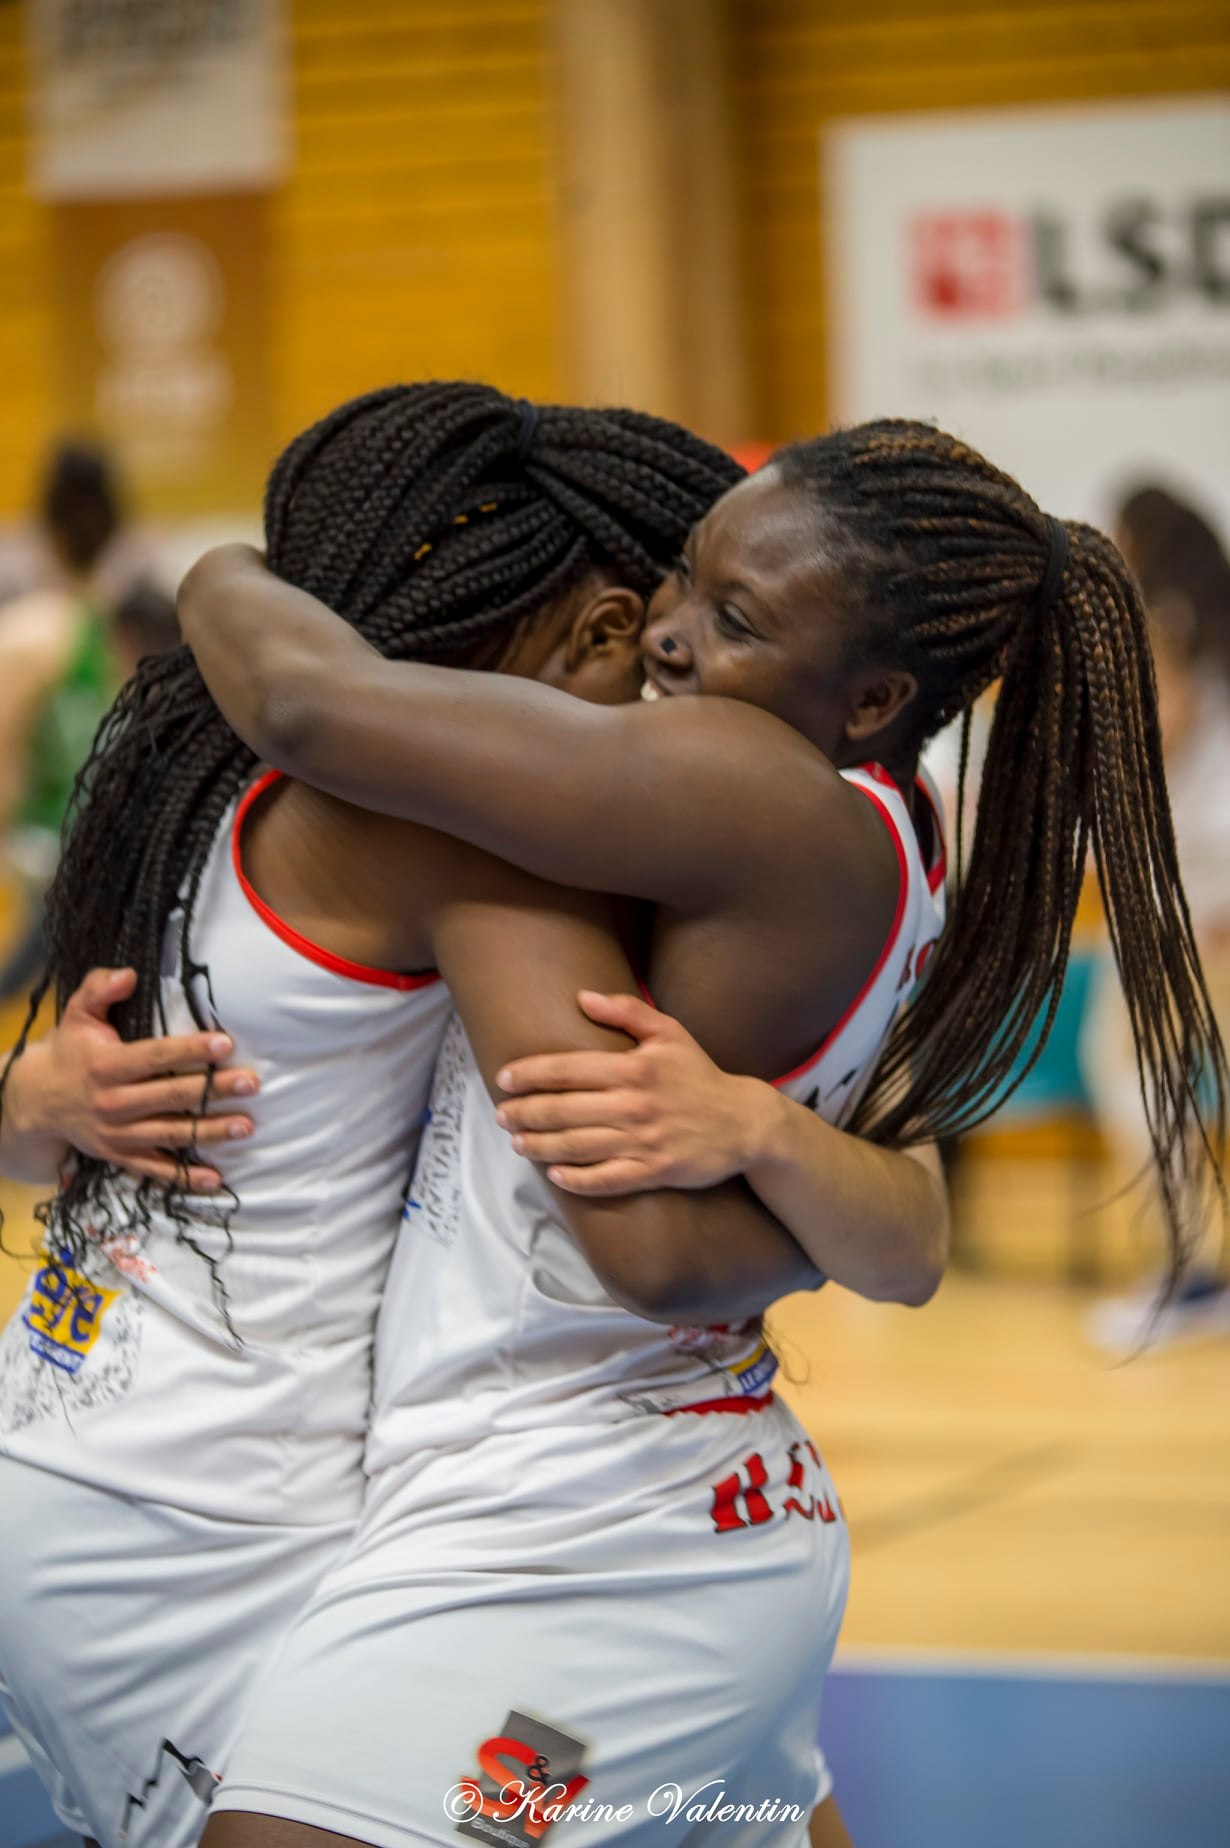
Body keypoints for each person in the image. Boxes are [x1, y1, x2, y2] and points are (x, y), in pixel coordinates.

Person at [176, 410, 1224, 1848]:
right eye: (681, 577)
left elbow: (307, 709)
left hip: (584, 1532)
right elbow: (908, 1241)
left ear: (866, 699)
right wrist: (774, 1143)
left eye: (733, 619)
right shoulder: (896, 819)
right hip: (693, 1496)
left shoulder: (747, 795)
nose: (667, 632)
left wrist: (217, 565)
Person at [0, 384, 951, 1848]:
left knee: (764, 1798)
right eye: (657, 636)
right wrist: (818, 1204)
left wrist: (24, 1103)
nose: (669, 694)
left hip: (78, 1424)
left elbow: (57, 1116)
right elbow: (651, 1243)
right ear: (592, 627)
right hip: (231, 1514)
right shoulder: (471, 837)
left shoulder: (206, 764)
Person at [1082, 483, 1230, 1349]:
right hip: (1198, 890)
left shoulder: (1161, 620)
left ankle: (1187, 1275)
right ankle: (1189, 1273)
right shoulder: (1207, 620)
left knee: (1135, 1075)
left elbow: (1161, 732)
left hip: (1193, 896)